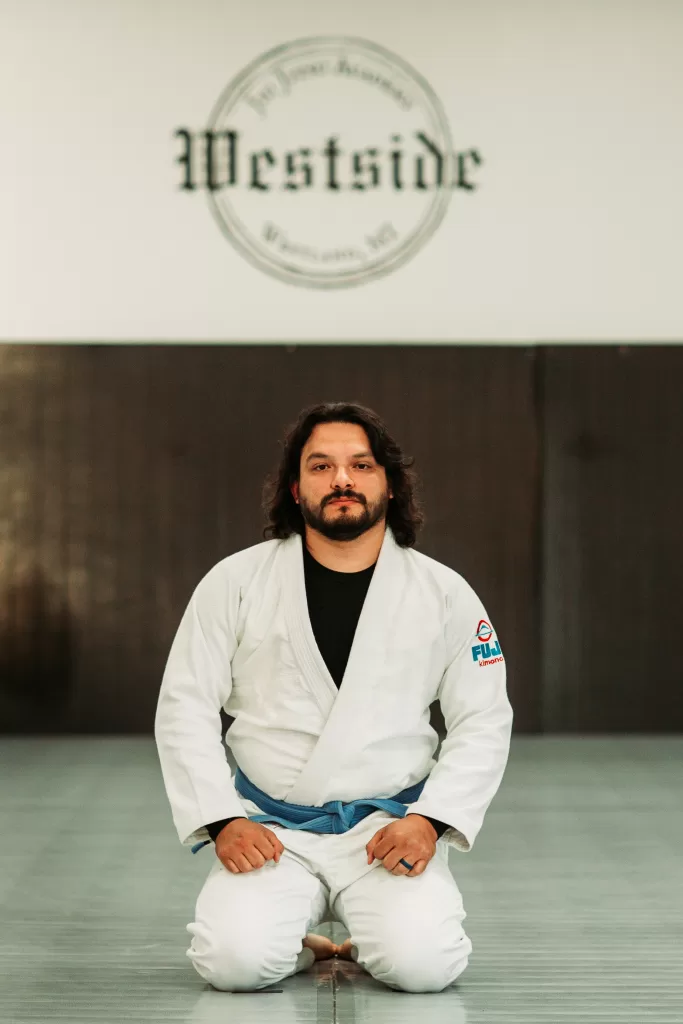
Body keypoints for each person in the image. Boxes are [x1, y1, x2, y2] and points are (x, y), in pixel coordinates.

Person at [154, 401, 513, 993]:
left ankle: (374, 935)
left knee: (425, 967)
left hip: (387, 831)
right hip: (271, 829)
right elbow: (184, 706)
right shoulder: (235, 582)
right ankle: (311, 948)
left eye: (361, 465)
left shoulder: (444, 593)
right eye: (320, 466)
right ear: (295, 489)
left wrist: (429, 820)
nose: (341, 480)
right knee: (232, 963)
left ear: (389, 485)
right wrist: (221, 820)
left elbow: (484, 718)